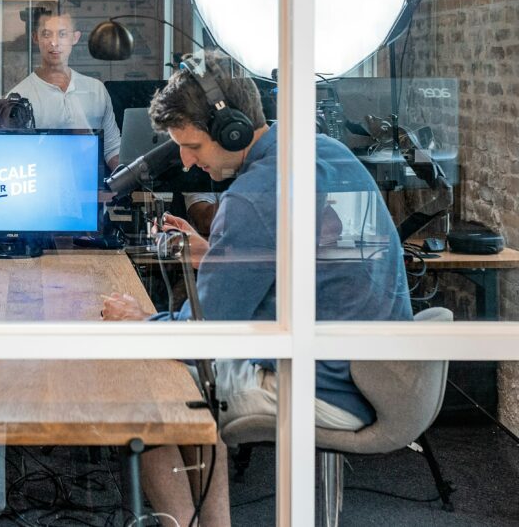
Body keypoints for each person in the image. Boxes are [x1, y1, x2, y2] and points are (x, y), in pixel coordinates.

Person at [102, 51, 412, 527]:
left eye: (193, 146)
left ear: (233, 131)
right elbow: (307, 258)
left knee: (152, 393)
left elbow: (205, 336)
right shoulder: (323, 151)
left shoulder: (252, 197)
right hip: (376, 371)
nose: (186, 162)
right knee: (182, 383)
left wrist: (138, 321)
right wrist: (220, 252)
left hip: (324, 385)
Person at [10, 4, 121, 170]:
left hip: (92, 183)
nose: (54, 43)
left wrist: (130, 178)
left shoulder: (96, 89)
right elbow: (16, 157)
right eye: (46, 34)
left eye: (62, 34)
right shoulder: (19, 97)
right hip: (43, 182)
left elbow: (112, 148)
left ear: (75, 38)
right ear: (35, 38)